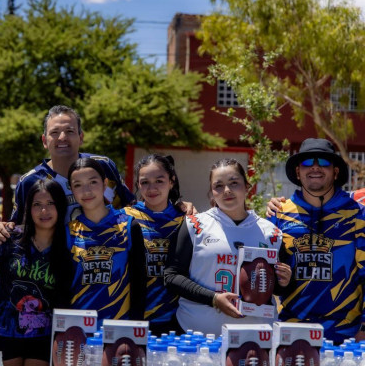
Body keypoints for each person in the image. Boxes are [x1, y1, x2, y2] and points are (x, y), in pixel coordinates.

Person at [163, 159, 292, 335]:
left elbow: (277, 288)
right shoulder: (195, 225)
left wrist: (285, 281)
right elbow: (171, 277)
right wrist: (213, 299)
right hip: (197, 335)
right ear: (211, 193)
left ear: (247, 187)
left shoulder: (271, 232)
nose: (227, 190)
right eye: (219, 186)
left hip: (255, 337)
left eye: (234, 183)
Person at [0, 105, 136, 243]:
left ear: (81, 137)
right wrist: (1, 228)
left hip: (111, 253)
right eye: (54, 132)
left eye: (69, 131)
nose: (62, 137)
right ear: (44, 140)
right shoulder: (30, 181)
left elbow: (130, 205)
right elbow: (18, 227)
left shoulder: (103, 166)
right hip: (56, 259)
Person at [268, 138, 365, 343]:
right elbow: (266, 275)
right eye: (306, 162)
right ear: (297, 172)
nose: (314, 167)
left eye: (323, 162)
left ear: (335, 172)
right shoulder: (279, 214)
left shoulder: (357, 214)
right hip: (291, 331)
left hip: (345, 335)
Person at [0, 179, 69, 366]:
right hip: (2, 330)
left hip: (44, 336)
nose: (44, 210)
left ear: (60, 206)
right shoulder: (8, 237)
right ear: (28, 208)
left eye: (50, 203)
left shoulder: (70, 245)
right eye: (37, 204)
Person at [65, 158, 146, 322]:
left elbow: (139, 284)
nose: (86, 191)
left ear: (105, 184)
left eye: (92, 182)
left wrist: (134, 330)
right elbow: (62, 288)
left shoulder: (129, 226)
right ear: (71, 190)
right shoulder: (67, 232)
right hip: (78, 329)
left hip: (119, 328)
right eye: (78, 185)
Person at [123, 154, 185, 336]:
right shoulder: (124, 218)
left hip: (177, 319)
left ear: (171, 182)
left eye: (159, 181)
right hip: (133, 318)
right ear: (137, 184)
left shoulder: (187, 219)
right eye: (145, 182)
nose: (152, 189)